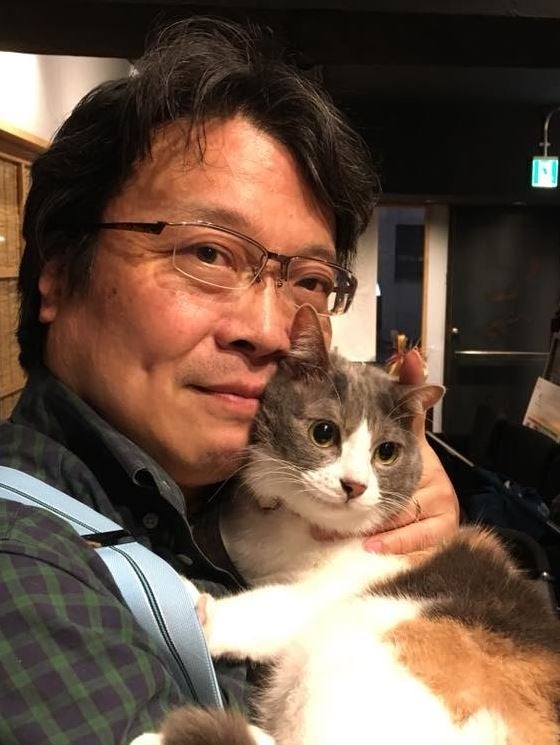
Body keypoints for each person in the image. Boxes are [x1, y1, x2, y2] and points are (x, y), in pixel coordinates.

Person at [0, 16, 459, 744]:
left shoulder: (216, 497)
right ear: (57, 273)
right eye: (208, 253)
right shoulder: (26, 576)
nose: (271, 329)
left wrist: (412, 558)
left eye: (309, 280)